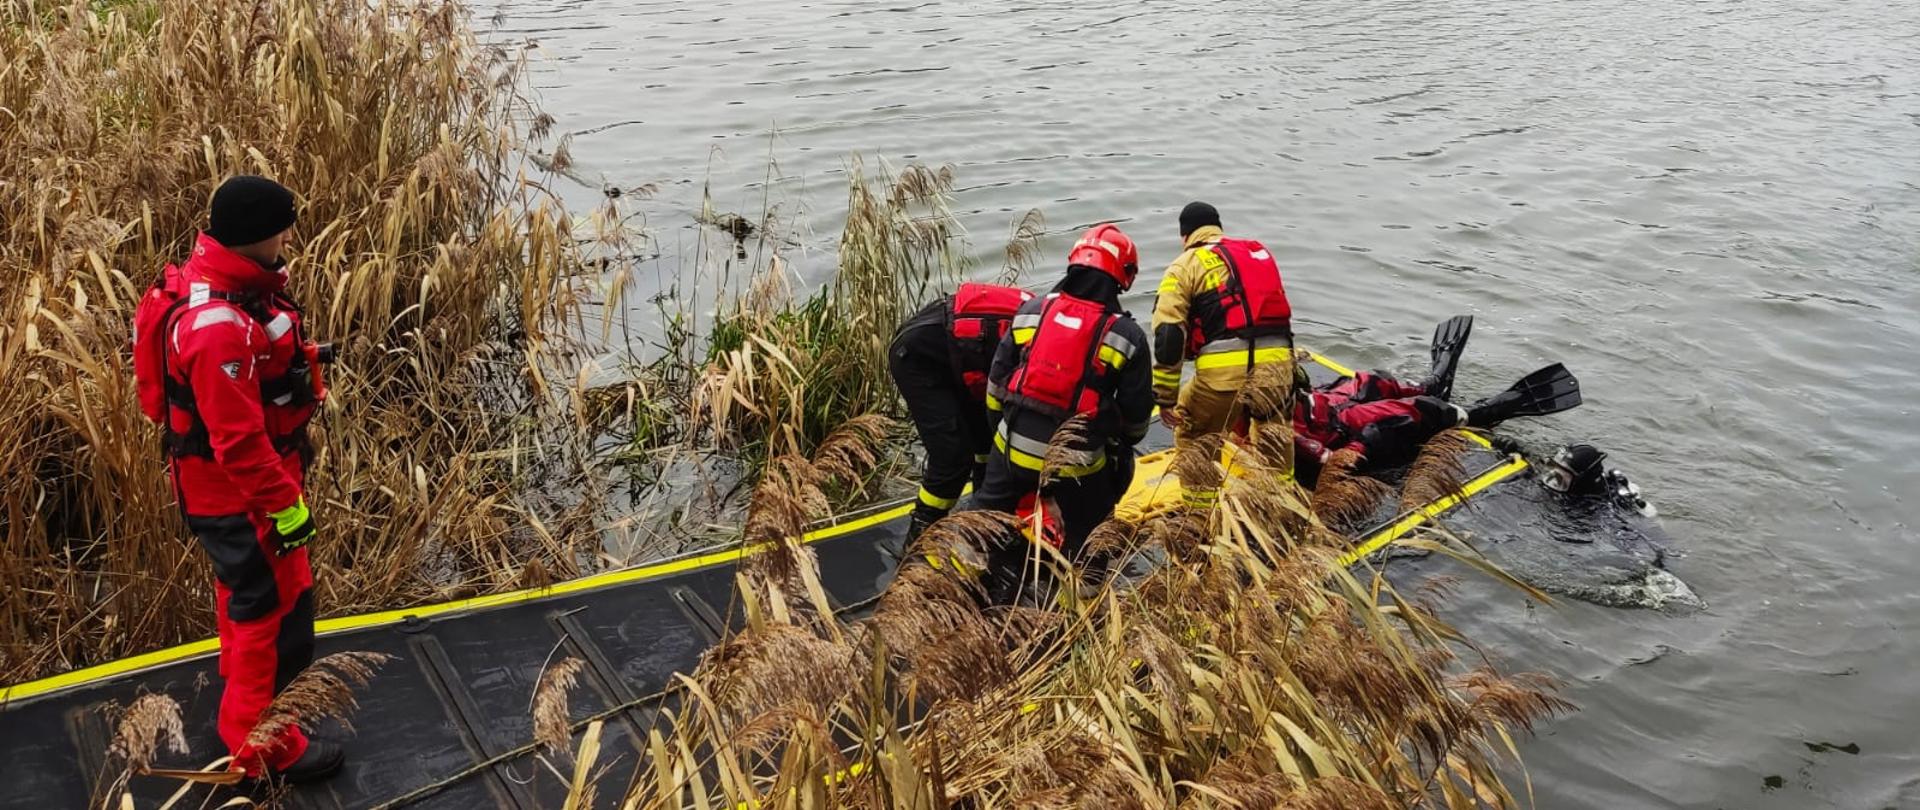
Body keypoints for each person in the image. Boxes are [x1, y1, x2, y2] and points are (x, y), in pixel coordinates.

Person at [131, 176, 341, 784]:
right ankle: (260, 750)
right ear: (256, 239)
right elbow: (239, 443)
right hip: (243, 500)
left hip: (235, 496)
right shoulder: (219, 328)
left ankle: (240, 717)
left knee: (249, 601)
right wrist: (287, 508)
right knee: (274, 618)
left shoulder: (216, 287)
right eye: (280, 233)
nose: (285, 243)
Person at [973, 224, 1154, 565]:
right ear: (1124, 275)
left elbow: (996, 388)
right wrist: (1115, 442)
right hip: (1077, 466)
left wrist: (1002, 437)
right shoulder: (1127, 336)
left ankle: (953, 578)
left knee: (980, 516)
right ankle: (1084, 593)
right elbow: (1136, 420)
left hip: (1011, 450)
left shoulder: (1031, 311)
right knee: (1091, 533)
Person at [1292, 316, 1583, 484]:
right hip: (1332, 431)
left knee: (1372, 382)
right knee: (1413, 412)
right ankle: (1480, 412)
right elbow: (1329, 461)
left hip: (1320, 408)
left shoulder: (1262, 388)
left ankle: (1432, 384)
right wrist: (1363, 446)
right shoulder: (1278, 431)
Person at [888, 282, 1033, 542]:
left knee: (988, 447)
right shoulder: (1050, 344)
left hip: (957, 353)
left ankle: (982, 519)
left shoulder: (1051, 324)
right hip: (919, 359)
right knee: (952, 458)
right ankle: (919, 540)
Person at [1149, 202, 1296, 457]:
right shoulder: (1256, 253)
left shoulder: (1185, 264)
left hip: (1223, 377)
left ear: (1185, 236)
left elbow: (1169, 335)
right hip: (1278, 370)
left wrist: (1166, 398)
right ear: (1218, 228)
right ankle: (1278, 493)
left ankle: (1200, 497)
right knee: (1275, 441)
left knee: (1194, 438)